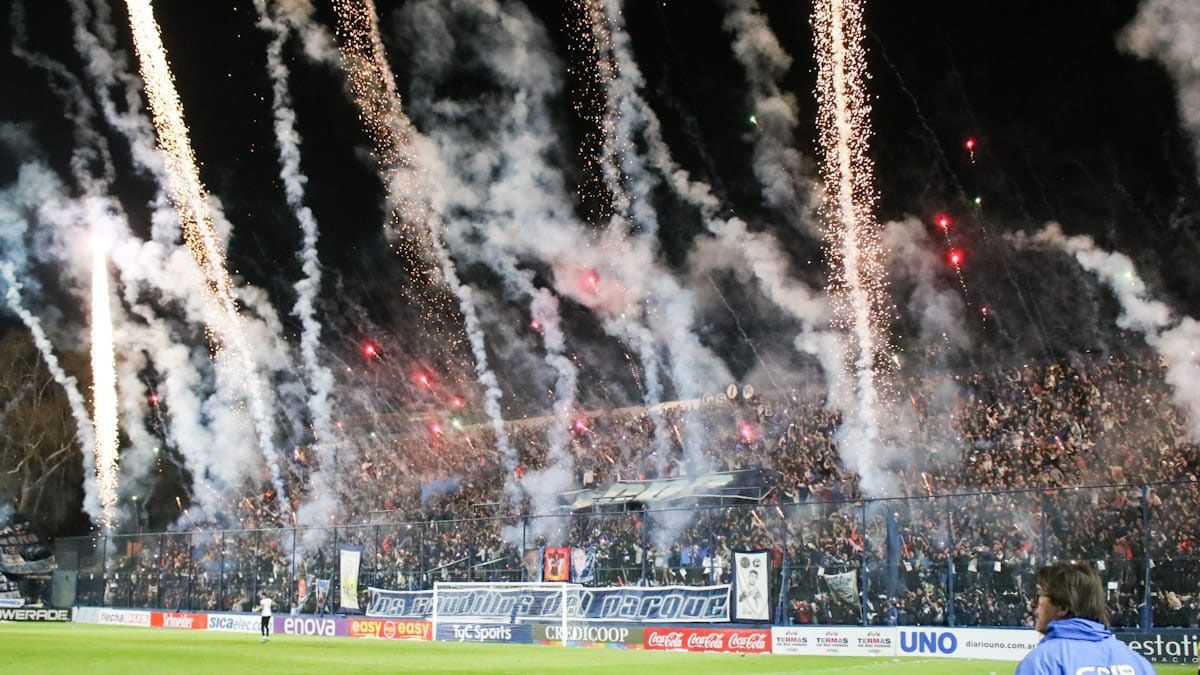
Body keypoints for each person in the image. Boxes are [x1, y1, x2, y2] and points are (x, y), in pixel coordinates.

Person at [1015, 561, 1153, 675]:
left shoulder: (1040, 664)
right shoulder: (1139, 664)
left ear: (1062, 607)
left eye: (1039, 596)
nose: (1033, 604)